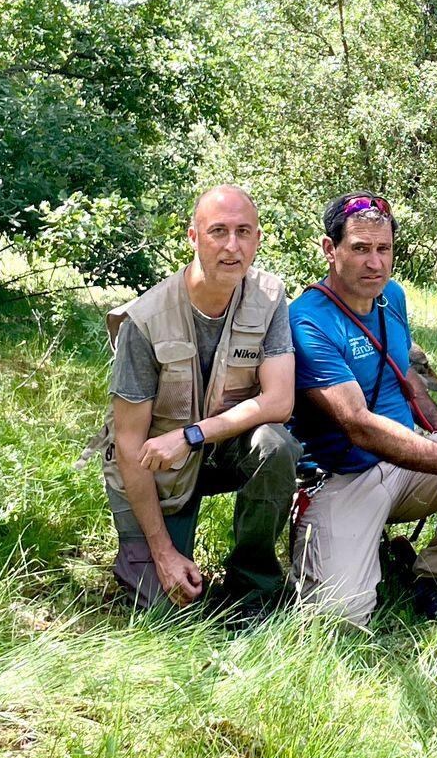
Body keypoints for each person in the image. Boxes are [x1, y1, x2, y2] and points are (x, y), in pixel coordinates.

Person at [289, 193, 437, 624]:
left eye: (384, 249)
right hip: (343, 477)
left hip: (405, 461)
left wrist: (435, 421)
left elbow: (400, 368)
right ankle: (359, 551)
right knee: (339, 618)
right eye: (360, 249)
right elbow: (358, 425)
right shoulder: (308, 320)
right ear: (330, 249)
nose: (374, 263)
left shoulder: (390, 297)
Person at [97, 185, 300, 613]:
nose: (232, 246)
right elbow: (130, 446)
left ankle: (253, 586)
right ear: (193, 237)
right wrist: (163, 553)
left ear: (258, 239)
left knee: (277, 446)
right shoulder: (144, 321)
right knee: (161, 608)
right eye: (218, 232)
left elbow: (279, 402)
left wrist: (191, 435)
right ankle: (156, 553)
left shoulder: (269, 297)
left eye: (244, 232)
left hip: (219, 448)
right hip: (156, 467)